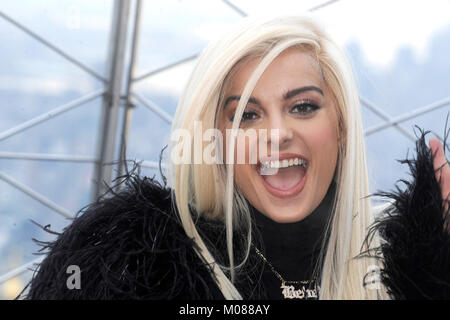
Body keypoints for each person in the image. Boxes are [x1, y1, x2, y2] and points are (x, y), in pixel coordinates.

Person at [23, 15, 449, 300]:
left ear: (340, 126)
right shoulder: (132, 266)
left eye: (303, 106)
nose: (278, 134)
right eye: (246, 115)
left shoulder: (399, 263)